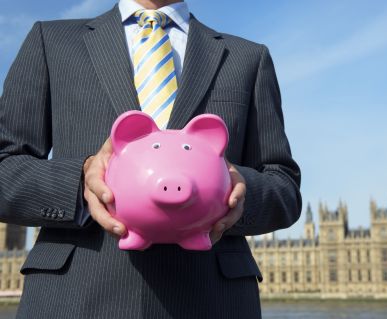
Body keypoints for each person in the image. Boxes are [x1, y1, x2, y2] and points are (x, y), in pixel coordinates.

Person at [0, 0, 302, 318]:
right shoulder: (52, 41)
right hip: (75, 295)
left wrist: (237, 190)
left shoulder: (248, 58)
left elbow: (283, 186)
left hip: (212, 299)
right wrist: (81, 181)